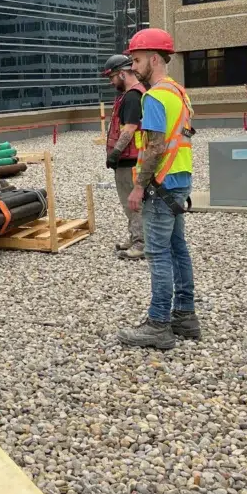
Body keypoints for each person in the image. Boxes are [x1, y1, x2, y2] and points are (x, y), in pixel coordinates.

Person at [118, 28, 202, 350]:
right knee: (178, 248)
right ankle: (184, 315)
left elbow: (153, 148)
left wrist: (138, 188)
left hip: (160, 185)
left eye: (137, 60)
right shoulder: (179, 92)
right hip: (179, 180)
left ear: (154, 59)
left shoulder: (152, 97)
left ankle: (158, 324)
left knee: (158, 253)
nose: (133, 66)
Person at [102, 54, 146, 260]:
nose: (111, 82)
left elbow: (129, 128)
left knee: (133, 202)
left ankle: (140, 243)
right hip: (128, 159)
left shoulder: (132, 97)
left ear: (122, 73)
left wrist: (116, 153)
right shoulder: (129, 95)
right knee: (129, 203)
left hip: (130, 160)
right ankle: (135, 237)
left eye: (112, 77)